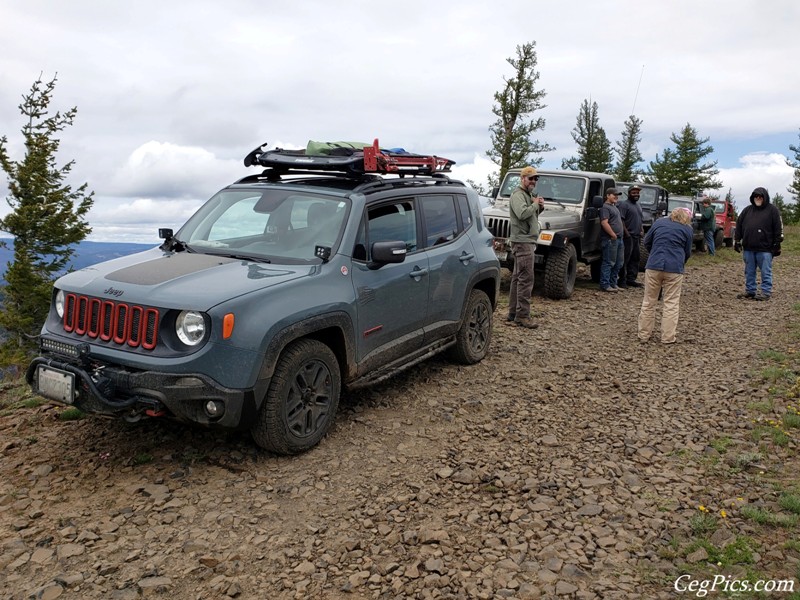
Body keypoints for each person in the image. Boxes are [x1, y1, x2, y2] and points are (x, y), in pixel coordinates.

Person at [637, 207, 693, 344]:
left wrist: (654, 254)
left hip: (653, 265)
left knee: (649, 301)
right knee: (671, 303)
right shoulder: (687, 229)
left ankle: (644, 335)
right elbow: (687, 251)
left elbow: (646, 242)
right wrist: (681, 261)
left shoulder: (658, 223)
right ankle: (668, 337)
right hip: (674, 268)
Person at [507, 166, 545, 328]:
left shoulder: (528, 195)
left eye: (536, 179)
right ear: (522, 178)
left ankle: (513, 313)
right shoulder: (518, 195)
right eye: (530, 178)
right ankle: (522, 316)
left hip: (525, 240)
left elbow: (528, 217)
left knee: (518, 277)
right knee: (526, 279)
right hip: (522, 241)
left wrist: (539, 207)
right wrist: (535, 204)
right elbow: (522, 214)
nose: (534, 182)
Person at [734, 187, 783, 300]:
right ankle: (750, 290)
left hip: (765, 248)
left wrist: (777, 243)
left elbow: (778, 227)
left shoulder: (773, 210)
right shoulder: (747, 210)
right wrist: (737, 241)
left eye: (760, 196)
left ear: (765, 197)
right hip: (749, 247)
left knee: (766, 271)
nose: (758, 198)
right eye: (756, 196)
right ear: (752, 197)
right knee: (749, 271)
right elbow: (739, 226)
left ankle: (766, 292)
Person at [617, 184, 645, 288]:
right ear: (629, 194)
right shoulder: (624, 205)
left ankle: (631, 279)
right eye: (633, 192)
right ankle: (622, 280)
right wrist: (627, 234)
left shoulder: (638, 205)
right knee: (625, 259)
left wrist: (641, 230)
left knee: (635, 258)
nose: (636, 194)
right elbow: (621, 220)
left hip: (637, 236)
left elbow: (640, 220)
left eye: (637, 192)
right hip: (628, 237)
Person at [599, 188, 624, 292]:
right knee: (609, 262)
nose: (616, 197)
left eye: (617, 195)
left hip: (619, 239)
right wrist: (612, 234)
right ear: (608, 195)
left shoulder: (614, 207)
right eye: (614, 195)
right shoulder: (605, 208)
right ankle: (605, 284)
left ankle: (613, 283)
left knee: (619, 263)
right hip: (610, 239)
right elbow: (604, 222)